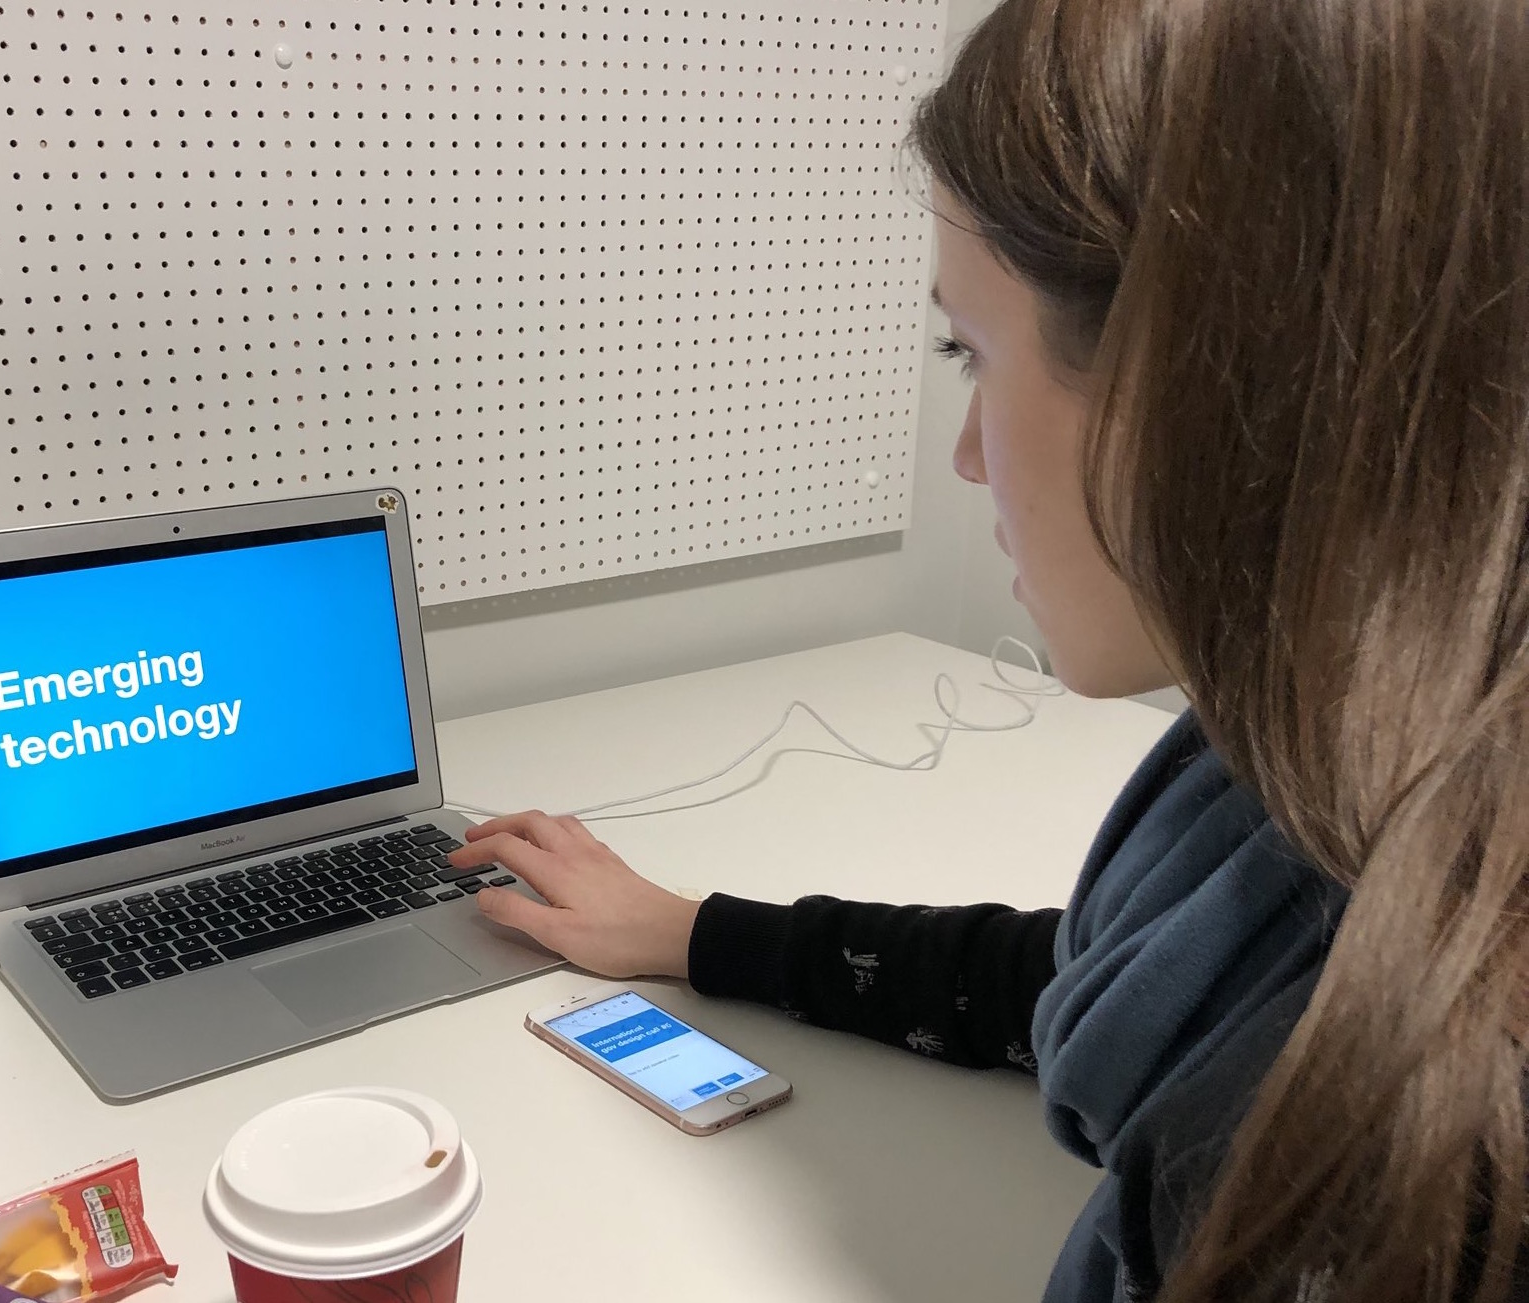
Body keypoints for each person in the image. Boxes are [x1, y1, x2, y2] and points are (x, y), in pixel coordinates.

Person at [444, 0, 1529, 1299]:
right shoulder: (1340, 799)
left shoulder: (1375, 1169)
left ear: (1198, 383)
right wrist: (693, 934)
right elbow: (1064, 975)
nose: (965, 457)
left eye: (971, 351)